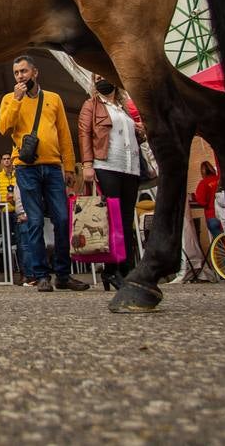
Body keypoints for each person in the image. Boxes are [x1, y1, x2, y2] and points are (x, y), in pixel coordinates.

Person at [0, 55, 88, 293]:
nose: (20, 76)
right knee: (34, 221)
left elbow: (65, 135)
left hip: (52, 166)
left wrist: (69, 167)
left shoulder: (53, 99)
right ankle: (41, 275)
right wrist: (16, 100)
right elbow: (3, 127)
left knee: (62, 219)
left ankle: (64, 275)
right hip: (26, 169)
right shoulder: (9, 98)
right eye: (16, 73)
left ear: (35, 72)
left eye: (24, 71)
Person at [79, 75, 145, 292]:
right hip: (106, 165)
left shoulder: (123, 108)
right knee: (112, 219)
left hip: (130, 167)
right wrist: (87, 164)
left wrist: (139, 131)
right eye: (96, 77)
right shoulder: (92, 105)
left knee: (126, 220)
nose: (101, 80)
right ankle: (111, 268)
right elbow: (84, 134)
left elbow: (128, 137)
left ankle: (126, 268)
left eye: (103, 75)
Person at [0, 152, 23, 280]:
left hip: (17, 211)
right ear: (1, 162)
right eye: (4, 159)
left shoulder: (18, 176)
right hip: (4, 211)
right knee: (6, 241)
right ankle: (7, 271)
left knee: (20, 240)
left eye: (8, 159)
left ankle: (23, 271)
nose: (6, 161)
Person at [193, 161, 221, 244]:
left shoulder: (203, 183)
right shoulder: (219, 179)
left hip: (212, 216)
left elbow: (201, 202)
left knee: (221, 244)